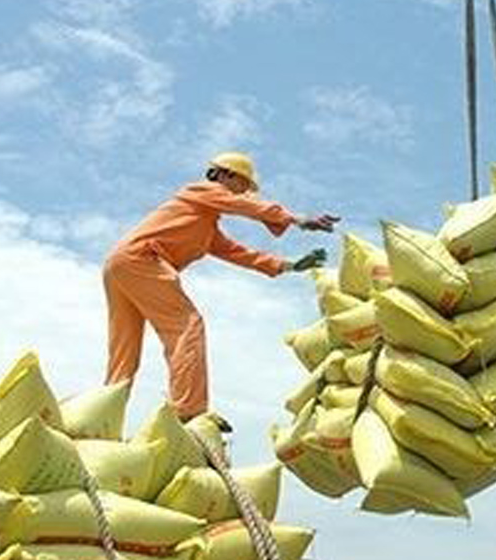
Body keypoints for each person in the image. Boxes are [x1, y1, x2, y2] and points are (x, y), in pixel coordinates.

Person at [104, 152, 338, 429]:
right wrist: (297, 219)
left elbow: (239, 253)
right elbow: (240, 205)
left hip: (120, 265)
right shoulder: (200, 191)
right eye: (244, 185)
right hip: (142, 260)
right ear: (226, 175)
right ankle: (189, 411)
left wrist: (290, 265)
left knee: (125, 347)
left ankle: (103, 412)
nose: (246, 192)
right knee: (187, 327)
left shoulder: (204, 224)